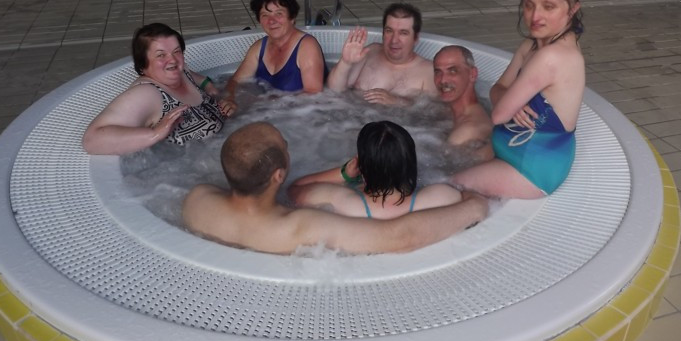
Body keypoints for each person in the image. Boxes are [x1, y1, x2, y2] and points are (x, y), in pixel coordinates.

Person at [182, 122, 489, 254]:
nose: (289, 150)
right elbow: (400, 237)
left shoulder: (198, 199)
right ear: (278, 175)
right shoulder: (304, 226)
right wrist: (474, 206)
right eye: (286, 147)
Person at [452, 0, 585, 199]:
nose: (535, 16)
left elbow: (499, 115)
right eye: (529, 4)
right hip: (513, 150)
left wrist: (507, 104)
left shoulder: (552, 57)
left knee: (450, 186)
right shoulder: (532, 45)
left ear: (573, 9)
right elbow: (497, 89)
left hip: (532, 168)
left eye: (548, 6)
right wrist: (509, 101)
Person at [83, 23, 229, 155]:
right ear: (143, 63)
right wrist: (155, 134)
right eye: (161, 55)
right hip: (192, 165)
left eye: (177, 51)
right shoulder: (147, 93)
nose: (173, 60)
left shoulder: (182, 71)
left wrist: (215, 93)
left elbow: (202, 81)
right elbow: (92, 140)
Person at [289, 120, 468, 218]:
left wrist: (344, 173)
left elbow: (294, 189)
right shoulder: (440, 196)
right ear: (410, 162)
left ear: (363, 166)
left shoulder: (346, 204)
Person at [223, 0, 327, 112]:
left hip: (303, 115)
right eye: (265, 15)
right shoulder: (258, 48)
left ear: (292, 17)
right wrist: (230, 98)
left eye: (279, 14)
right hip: (271, 112)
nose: (271, 21)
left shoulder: (307, 46)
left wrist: (267, 103)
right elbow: (235, 81)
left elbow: (313, 95)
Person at [327, 3, 437, 105]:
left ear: (415, 38)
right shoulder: (370, 53)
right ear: (383, 33)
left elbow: (433, 112)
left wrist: (397, 102)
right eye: (389, 31)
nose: (394, 40)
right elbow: (333, 92)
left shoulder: (428, 71)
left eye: (403, 33)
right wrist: (345, 63)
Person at [433, 45, 493, 158]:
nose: (443, 80)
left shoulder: (465, 133)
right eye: (438, 72)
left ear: (472, 74)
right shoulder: (448, 110)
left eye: (453, 71)